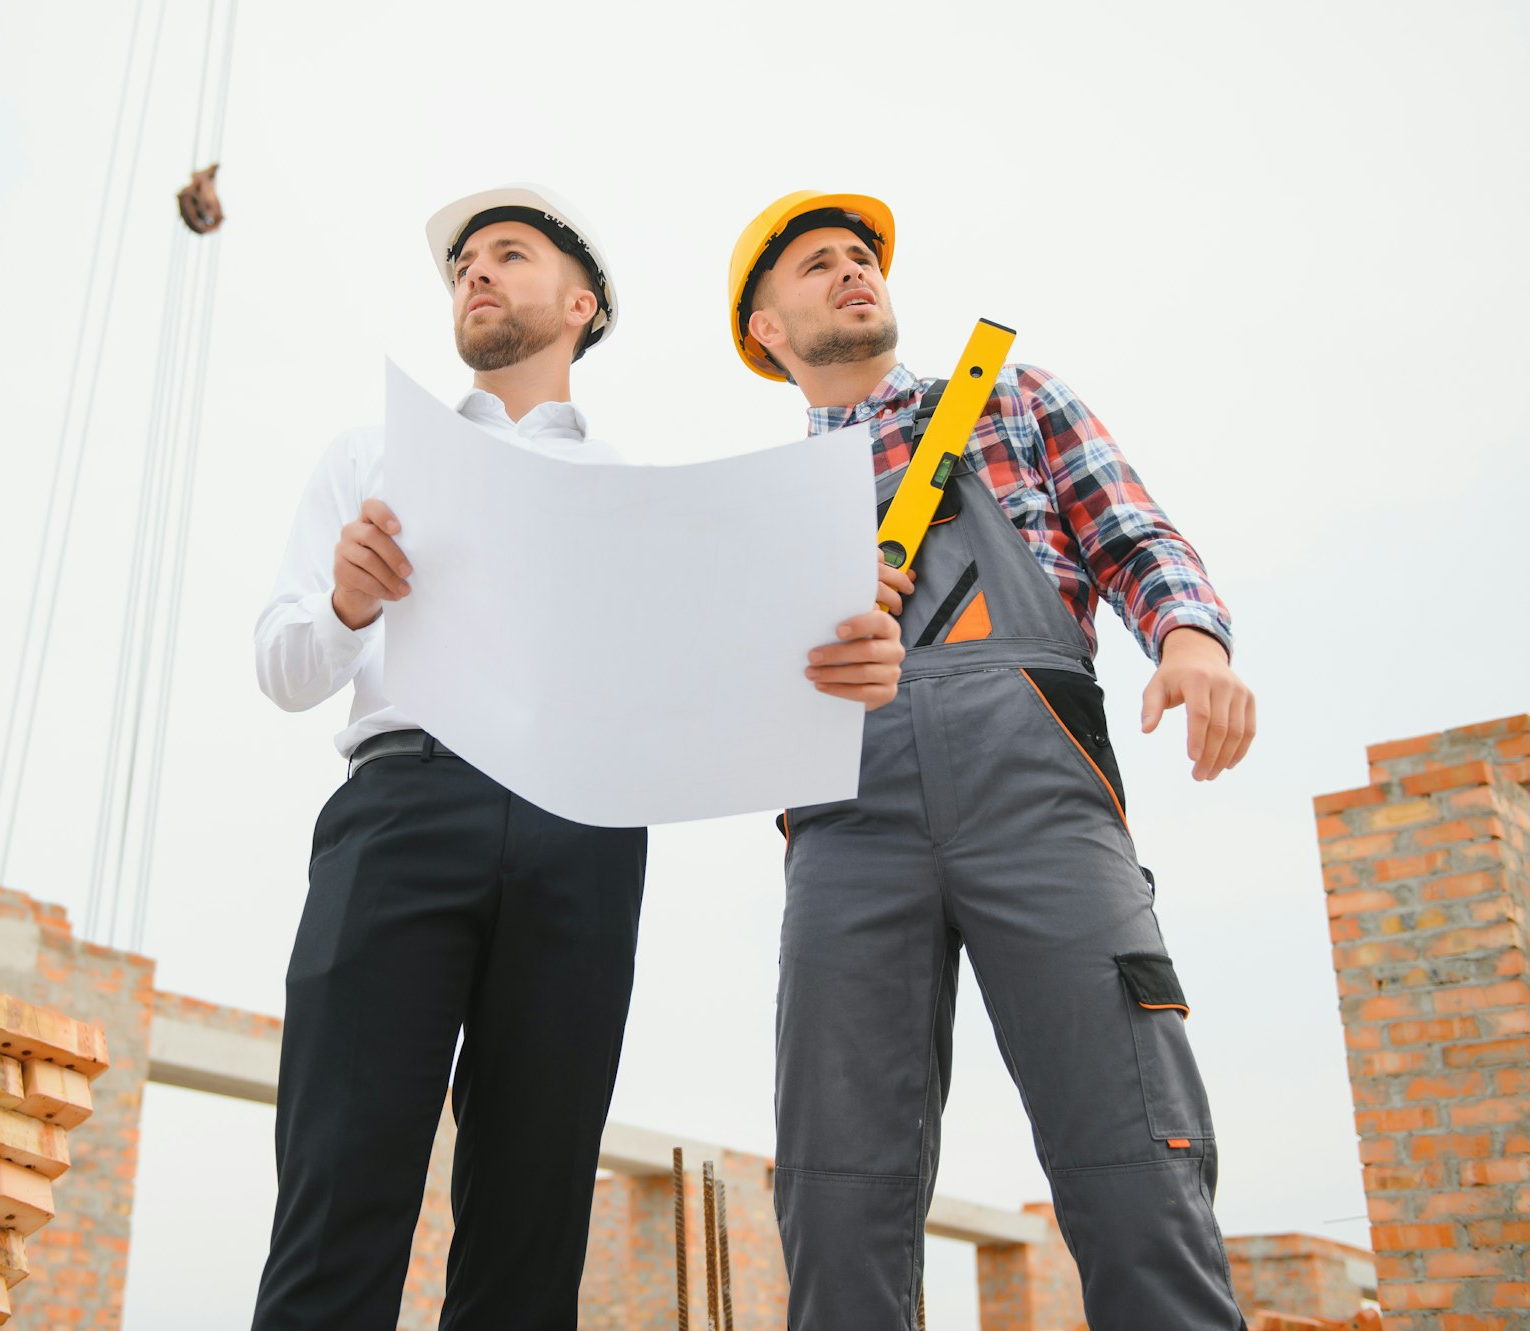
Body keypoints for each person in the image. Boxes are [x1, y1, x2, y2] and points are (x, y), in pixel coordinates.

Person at [249, 183, 906, 1329]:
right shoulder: (371, 455)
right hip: (403, 805)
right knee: (338, 1176)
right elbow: (283, 664)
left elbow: (721, 677)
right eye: (461, 267)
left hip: (585, 830)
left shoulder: (634, 496)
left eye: (505, 254)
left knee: (534, 1200)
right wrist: (349, 601)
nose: (475, 276)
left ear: (578, 303)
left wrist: (843, 661)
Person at [729, 190, 1256, 1330]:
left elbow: (1132, 537)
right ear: (765, 330)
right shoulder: (758, 508)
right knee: (836, 1183)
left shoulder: (1005, 395)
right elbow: (724, 707)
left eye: (860, 254)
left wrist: (1190, 639)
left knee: (1133, 1152)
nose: (851, 269)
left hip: (1041, 804)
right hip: (846, 829)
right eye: (816, 264)